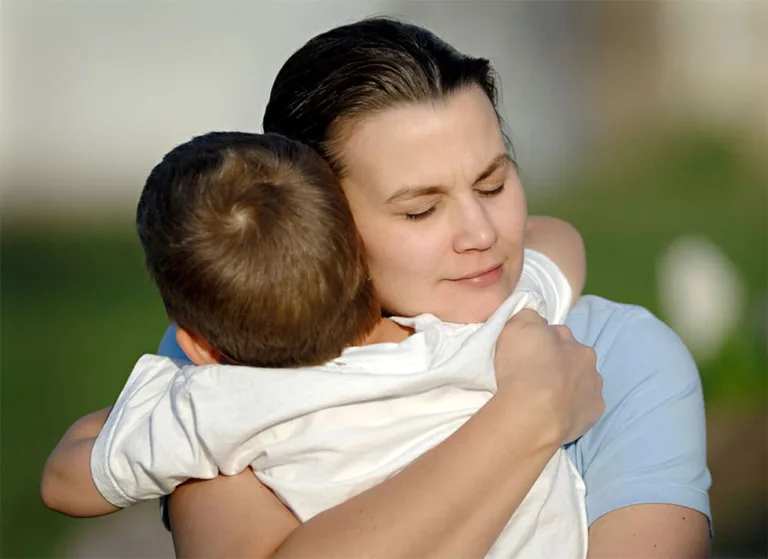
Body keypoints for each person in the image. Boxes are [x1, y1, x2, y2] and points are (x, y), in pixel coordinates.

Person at [59, 17, 712, 559]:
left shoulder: (613, 351)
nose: (482, 233)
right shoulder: (243, 371)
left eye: (492, 183)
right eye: (420, 210)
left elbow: (72, 474)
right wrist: (529, 415)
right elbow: (558, 244)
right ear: (323, 225)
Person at [42, 130, 590, 558]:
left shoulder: (216, 404)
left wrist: (172, 384)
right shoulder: (485, 333)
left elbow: (63, 481)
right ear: (363, 256)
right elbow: (560, 242)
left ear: (199, 345)